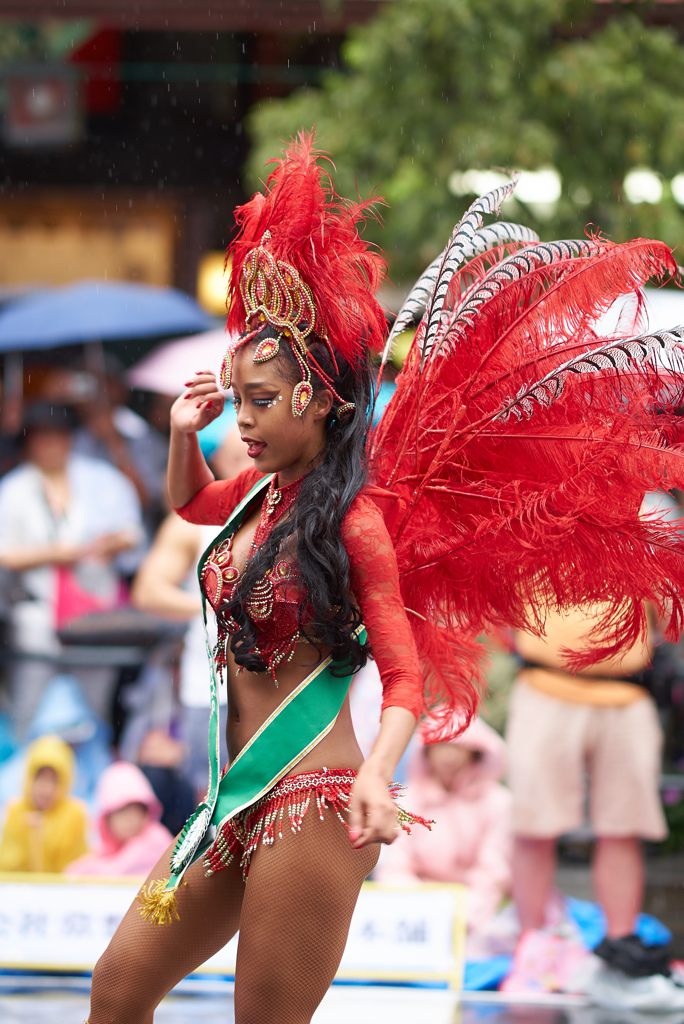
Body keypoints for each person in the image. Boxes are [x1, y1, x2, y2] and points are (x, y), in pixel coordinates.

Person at [87, 139, 684, 1023]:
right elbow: (189, 506)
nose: (240, 420)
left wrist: (377, 772)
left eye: (258, 401)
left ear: (319, 403)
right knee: (116, 988)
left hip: (313, 798)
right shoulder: (255, 493)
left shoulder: (354, 520)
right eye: (236, 399)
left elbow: (402, 675)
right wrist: (183, 431)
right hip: (230, 796)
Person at [505, 597, 684, 1009]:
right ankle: (534, 953)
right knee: (533, 825)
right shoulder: (526, 530)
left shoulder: (650, 533)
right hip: (542, 685)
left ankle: (622, 953)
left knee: (624, 827)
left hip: (629, 691)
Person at [0, 402, 144, 738]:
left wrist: (104, 545)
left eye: (58, 436)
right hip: (37, 617)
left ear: (70, 438)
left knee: (94, 712)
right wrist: (54, 554)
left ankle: (91, 785)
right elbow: (4, 553)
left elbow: (132, 534)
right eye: (41, 437)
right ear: (29, 442)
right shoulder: (13, 490)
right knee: (29, 712)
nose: (50, 444)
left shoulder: (102, 479)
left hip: (94, 614)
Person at [376, 716, 512, 957]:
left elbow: (492, 872)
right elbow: (395, 868)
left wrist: (463, 915)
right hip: (413, 915)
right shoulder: (407, 801)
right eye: (440, 745)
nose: (448, 755)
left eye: (457, 746)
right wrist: (426, 910)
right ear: (425, 752)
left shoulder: (499, 803)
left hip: (476, 916)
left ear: (475, 751)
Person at [67, 761, 173, 877]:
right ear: (107, 819)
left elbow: (112, 874)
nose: (129, 819)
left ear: (145, 812)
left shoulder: (155, 839)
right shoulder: (111, 848)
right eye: (121, 811)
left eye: (135, 810)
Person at [0, 733, 88, 872]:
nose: (45, 788)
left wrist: (46, 834)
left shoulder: (74, 814)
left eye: (53, 780)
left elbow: (77, 868)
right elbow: (6, 867)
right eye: (40, 778)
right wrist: (31, 836)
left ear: (64, 782)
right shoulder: (16, 810)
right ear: (29, 778)